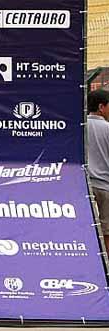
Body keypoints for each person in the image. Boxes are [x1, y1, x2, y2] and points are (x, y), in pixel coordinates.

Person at [87, 89, 109, 258]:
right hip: (105, 188)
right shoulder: (107, 128)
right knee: (106, 232)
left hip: (84, 187)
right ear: (101, 107)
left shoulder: (80, 127)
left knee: (86, 230)